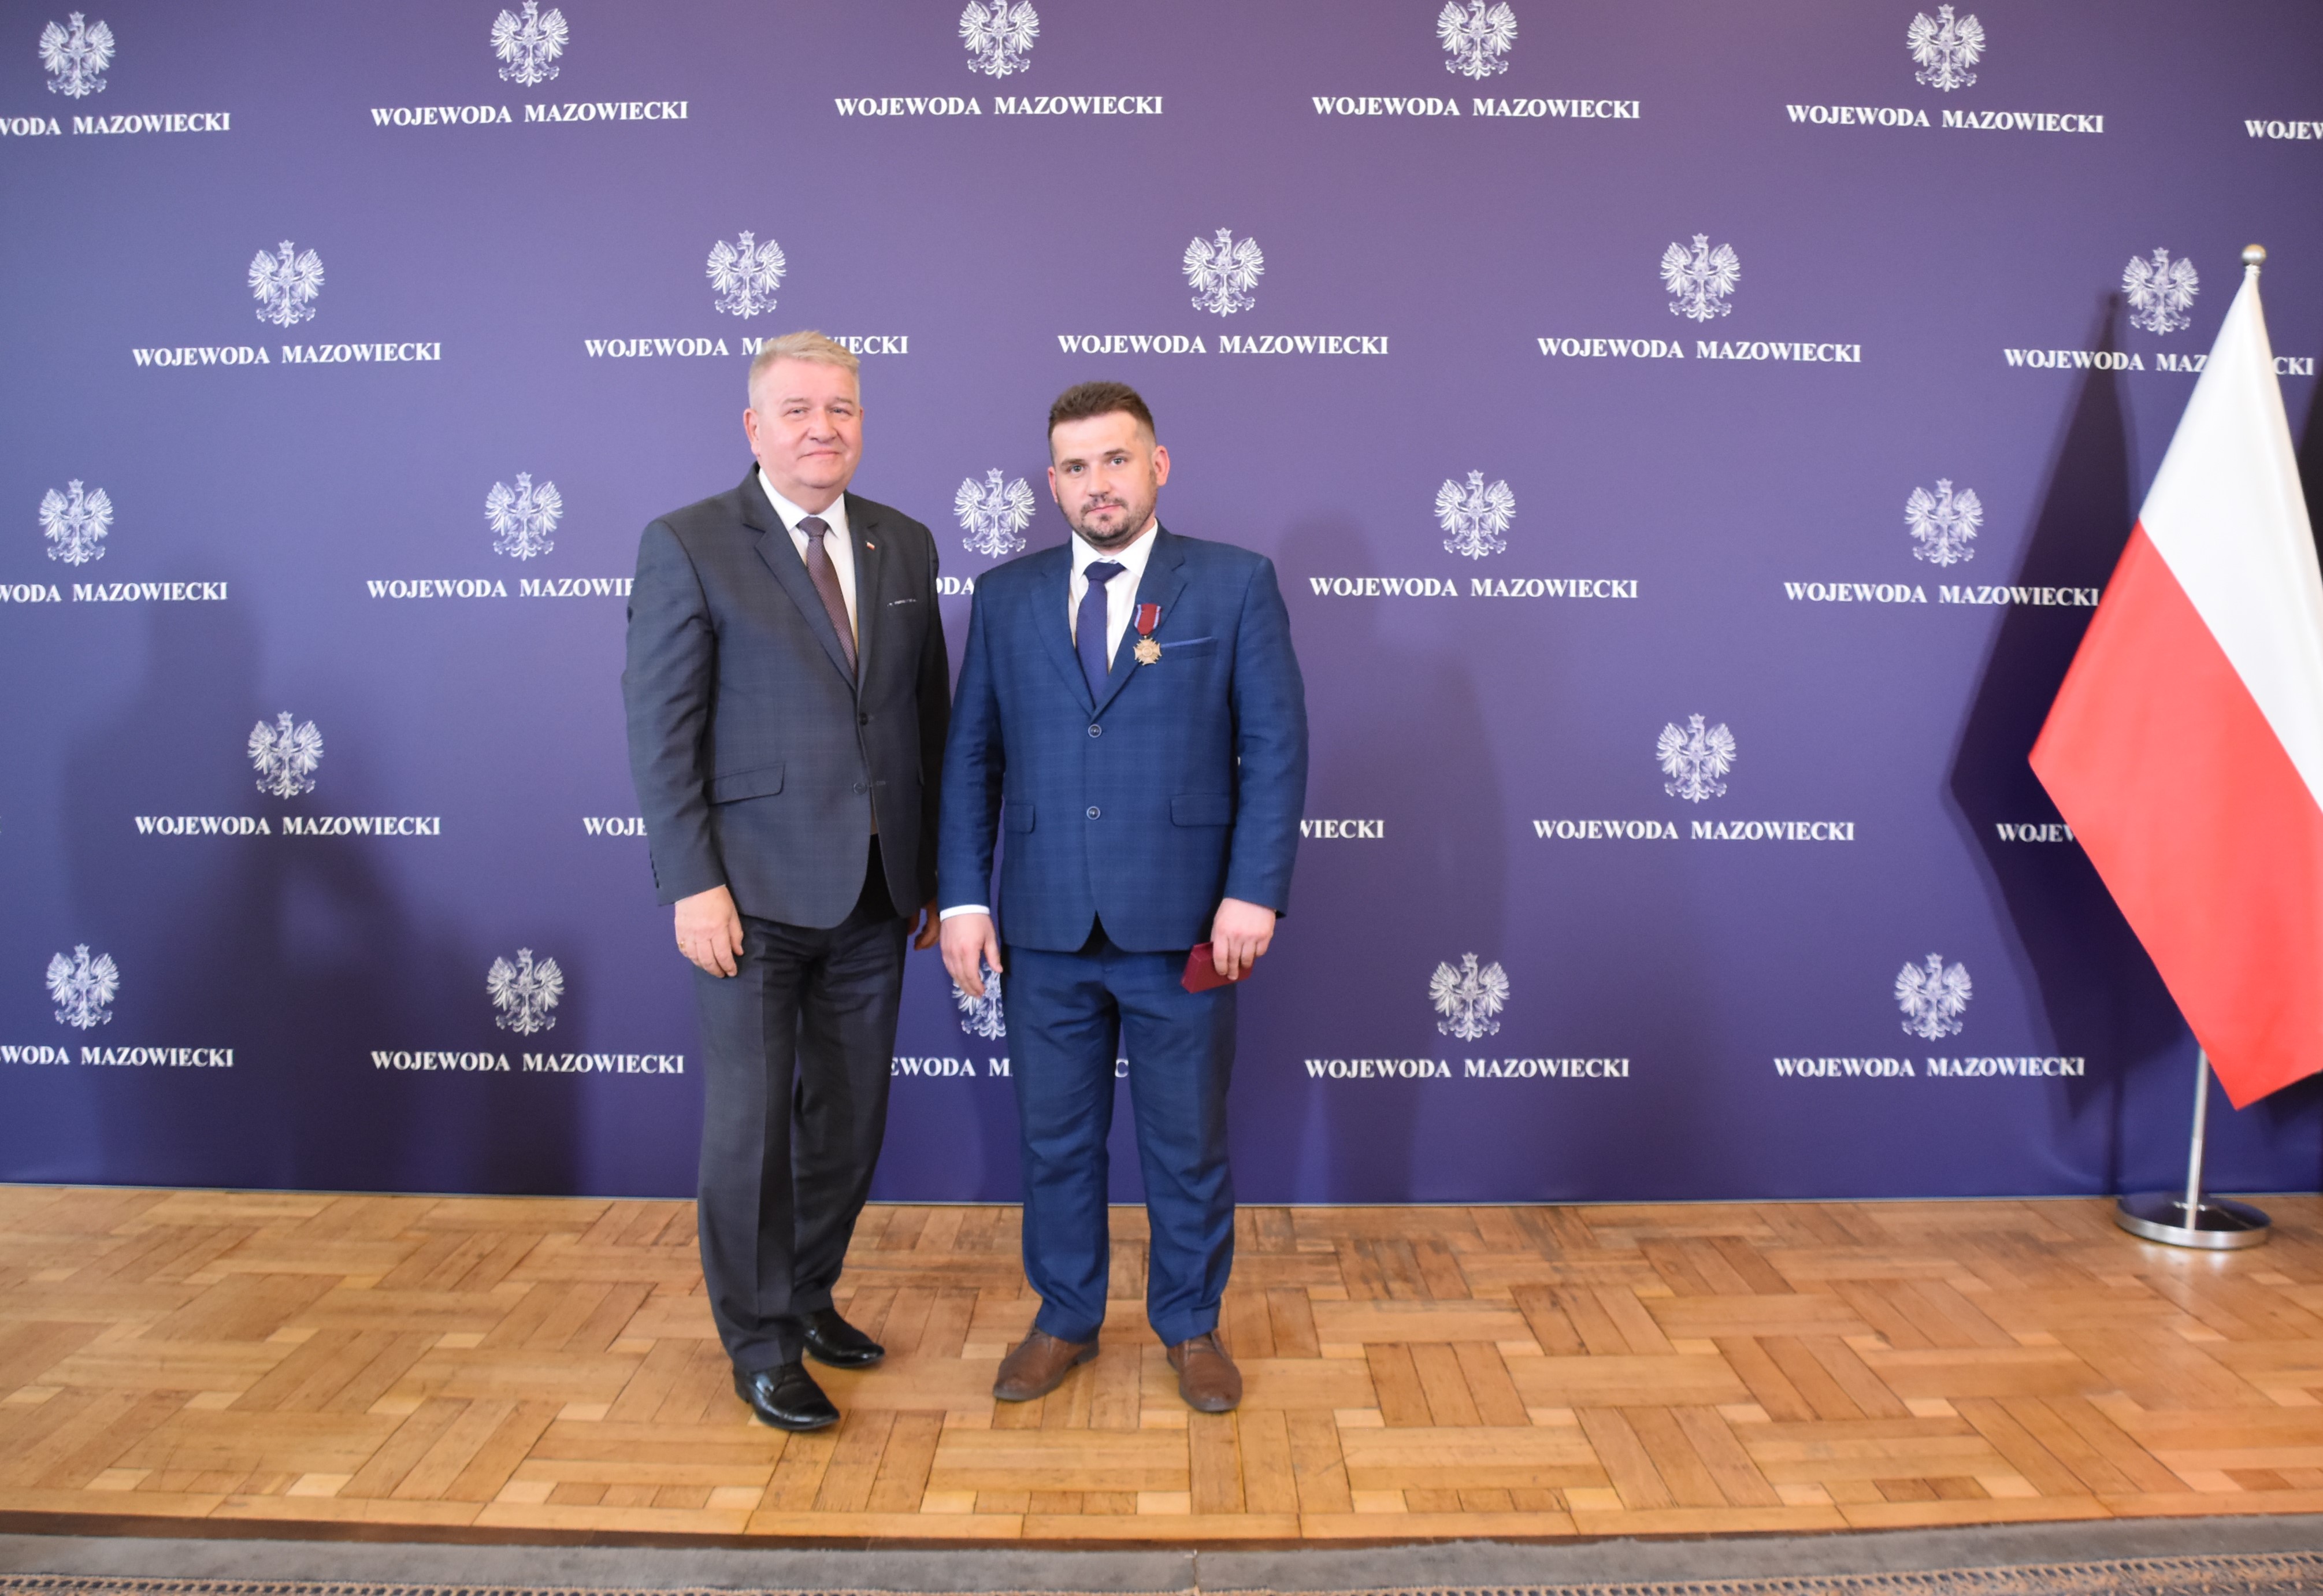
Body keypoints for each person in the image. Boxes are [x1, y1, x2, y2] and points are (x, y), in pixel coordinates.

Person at [938, 380, 1307, 1413]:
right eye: (1076, 466)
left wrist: (1253, 893)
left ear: (1158, 465)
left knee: (1186, 1143)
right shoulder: (1005, 597)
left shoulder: (1233, 584)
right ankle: (1065, 1316)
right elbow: (971, 759)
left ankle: (1191, 1324)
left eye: (1116, 459)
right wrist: (963, 898)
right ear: (1051, 483)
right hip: (1044, 927)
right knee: (1054, 1142)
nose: (1097, 483)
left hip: (1186, 926)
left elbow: (1275, 750)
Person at [622, 331, 950, 1431]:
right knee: (752, 1131)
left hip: (877, 892)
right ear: (753, 426)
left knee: (849, 1123)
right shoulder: (689, 542)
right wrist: (692, 881)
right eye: (799, 410)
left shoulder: (905, 543)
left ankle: (807, 1294)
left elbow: (926, 719)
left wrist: (931, 873)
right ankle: (759, 1341)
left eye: (842, 409)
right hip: (747, 897)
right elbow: (661, 731)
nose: (823, 428)